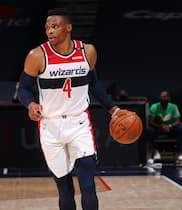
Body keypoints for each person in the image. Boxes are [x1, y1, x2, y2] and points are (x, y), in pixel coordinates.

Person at [17, 8, 127, 210]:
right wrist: (30, 104)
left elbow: (93, 85)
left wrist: (113, 109)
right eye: (47, 27)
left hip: (79, 123)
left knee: (88, 185)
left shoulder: (88, 51)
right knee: (65, 188)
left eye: (55, 26)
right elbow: (23, 88)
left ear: (68, 28)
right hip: (51, 125)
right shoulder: (37, 56)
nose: (50, 31)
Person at [145, 90, 182, 161]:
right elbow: (151, 122)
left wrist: (169, 126)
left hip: (170, 128)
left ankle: (179, 152)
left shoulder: (173, 107)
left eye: (164, 97)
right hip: (158, 128)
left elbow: (177, 121)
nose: (162, 98)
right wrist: (161, 126)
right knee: (149, 130)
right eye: (161, 97)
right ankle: (155, 152)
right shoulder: (154, 107)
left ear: (168, 98)